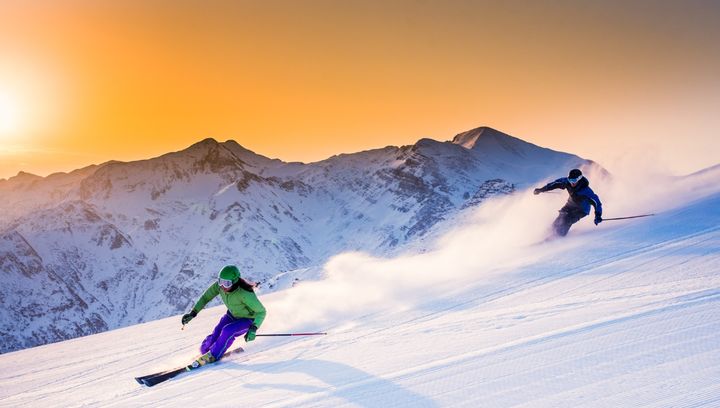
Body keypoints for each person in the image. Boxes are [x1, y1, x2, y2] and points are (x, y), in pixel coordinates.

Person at [181, 265, 266, 368]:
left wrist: (253, 328)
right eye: (220, 281)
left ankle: (213, 356)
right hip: (232, 315)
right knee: (215, 334)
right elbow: (205, 298)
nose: (222, 286)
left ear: (235, 282)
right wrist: (193, 313)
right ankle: (206, 352)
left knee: (227, 330)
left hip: (248, 319)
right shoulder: (219, 287)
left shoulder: (245, 293)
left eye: (227, 283)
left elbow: (261, 312)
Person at [533, 168, 603, 237]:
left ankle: (560, 235)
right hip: (570, 205)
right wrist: (541, 190)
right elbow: (554, 184)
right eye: (570, 180)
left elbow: (597, 203)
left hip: (582, 210)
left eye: (574, 180)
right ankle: (551, 231)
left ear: (579, 179)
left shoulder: (586, 191)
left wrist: (598, 215)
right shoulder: (566, 182)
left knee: (568, 219)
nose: (572, 182)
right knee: (561, 215)